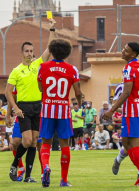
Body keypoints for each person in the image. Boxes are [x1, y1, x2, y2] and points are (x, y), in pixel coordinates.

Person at [6, 18, 56, 183]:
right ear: (22, 53)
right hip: (23, 108)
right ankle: (14, 164)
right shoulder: (16, 71)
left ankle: (28, 176)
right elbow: (7, 92)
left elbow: (50, 48)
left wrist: (52, 29)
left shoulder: (37, 65)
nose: (29, 54)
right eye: (26, 51)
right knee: (26, 141)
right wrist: (15, 109)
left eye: (31, 51)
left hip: (38, 107)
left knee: (34, 142)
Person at [103, 42, 139, 186]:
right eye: (124, 49)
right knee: (125, 142)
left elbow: (126, 92)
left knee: (134, 144)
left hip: (132, 109)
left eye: (126, 50)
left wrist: (111, 111)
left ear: (133, 54)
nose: (123, 51)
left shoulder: (129, 67)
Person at [37, 38, 82, 187]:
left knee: (45, 143)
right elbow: (78, 92)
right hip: (63, 110)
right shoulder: (72, 69)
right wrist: (79, 103)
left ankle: (46, 168)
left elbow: (40, 88)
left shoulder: (42, 67)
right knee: (65, 145)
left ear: (52, 50)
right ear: (67, 52)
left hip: (47, 109)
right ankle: (63, 180)